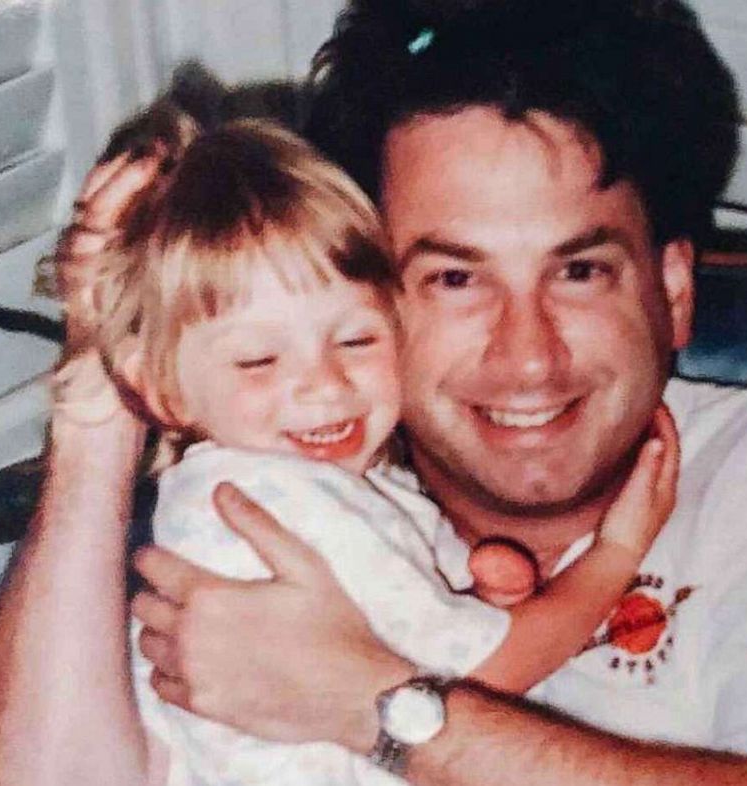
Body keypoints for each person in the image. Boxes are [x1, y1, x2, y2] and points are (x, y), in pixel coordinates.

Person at [0, 1, 747, 785]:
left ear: (669, 289)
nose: (527, 355)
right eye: (454, 278)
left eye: (577, 273)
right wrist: (101, 409)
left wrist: (374, 704)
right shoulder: (286, 493)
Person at [53, 115, 678, 785]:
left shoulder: (235, 488)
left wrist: (483, 599)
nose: (325, 385)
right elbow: (488, 680)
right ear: (162, 389)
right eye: (260, 360)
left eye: (356, 341)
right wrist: (615, 556)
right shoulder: (281, 505)